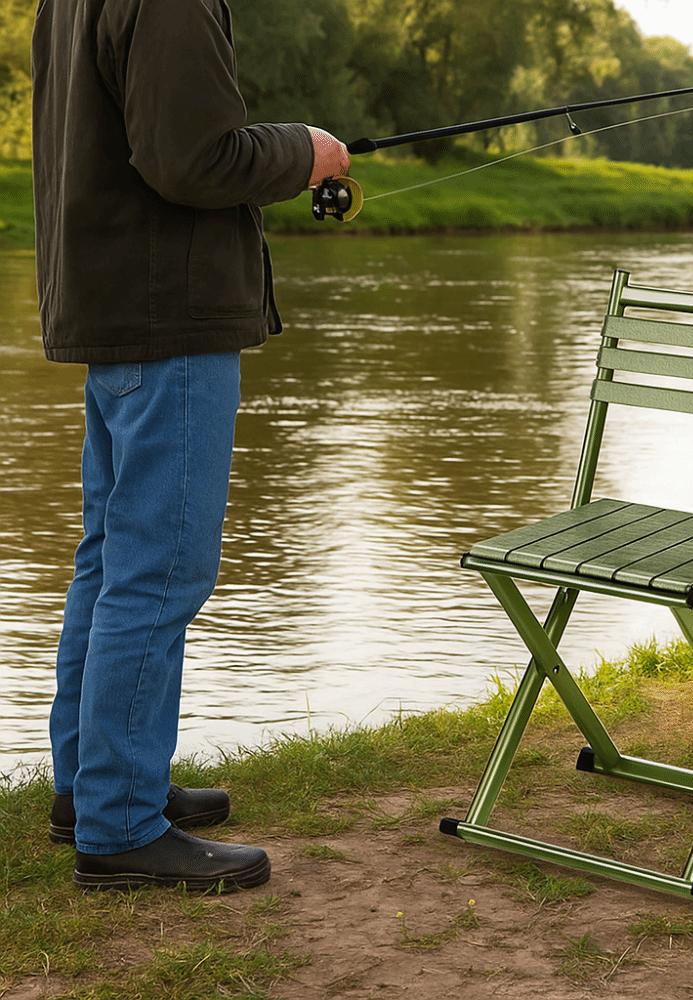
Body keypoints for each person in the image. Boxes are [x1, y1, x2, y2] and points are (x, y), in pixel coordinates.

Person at [31, 0, 350, 892]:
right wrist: (309, 150)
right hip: (168, 318)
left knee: (110, 561)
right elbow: (194, 160)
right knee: (158, 570)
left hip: (114, 308)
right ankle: (123, 824)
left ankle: (90, 790)